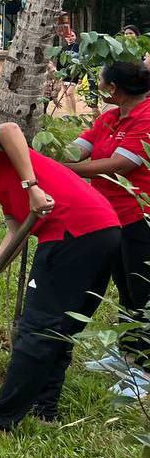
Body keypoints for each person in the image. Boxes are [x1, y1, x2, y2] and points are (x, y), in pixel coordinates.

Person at [0, 124, 120, 435]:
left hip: (72, 231)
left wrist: (32, 185)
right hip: (102, 231)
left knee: (37, 329)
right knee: (60, 329)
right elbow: (16, 234)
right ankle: (44, 409)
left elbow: (9, 130)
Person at [66, 60, 150, 393]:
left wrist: (69, 170)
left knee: (143, 292)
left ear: (113, 88)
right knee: (125, 288)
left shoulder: (146, 118)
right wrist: (44, 153)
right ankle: (127, 354)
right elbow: (79, 147)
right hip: (112, 217)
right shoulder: (111, 117)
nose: (97, 86)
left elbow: (121, 164)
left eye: (100, 81)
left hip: (140, 216)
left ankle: (144, 371)